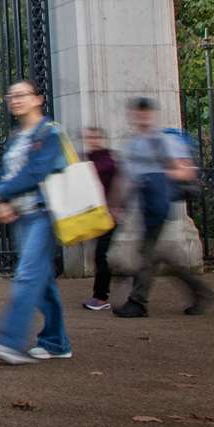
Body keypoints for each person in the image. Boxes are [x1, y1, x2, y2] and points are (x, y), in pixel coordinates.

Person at [0, 79, 72, 364]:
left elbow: (36, 172)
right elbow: (9, 173)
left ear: (37, 99)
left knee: (28, 275)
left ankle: (9, 340)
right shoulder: (17, 136)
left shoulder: (50, 132)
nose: (15, 100)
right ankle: (56, 342)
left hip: (44, 212)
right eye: (11, 96)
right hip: (23, 214)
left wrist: (1, 193)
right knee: (41, 281)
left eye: (22, 95)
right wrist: (3, 200)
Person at [113, 98, 214, 319]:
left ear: (152, 114)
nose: (141, 117)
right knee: (155, 255)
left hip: (159, 205)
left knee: (147, 253)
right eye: (137, 113)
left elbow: (187, 172)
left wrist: (156, 177)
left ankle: (137, 302)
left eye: (145, 113)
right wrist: (118, 203)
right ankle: (199, 291)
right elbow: (126, 178)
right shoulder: (133, 145)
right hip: (146, 205)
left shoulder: (165, 141)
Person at [81, 127, 119, 312]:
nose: (91, 140)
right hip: (95, 215)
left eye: (95, 137)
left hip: (108, 214)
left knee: (100, 255)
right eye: (88, 137)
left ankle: (101, 296)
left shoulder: (106, 159)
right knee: (98, 254)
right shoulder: (90, 158)